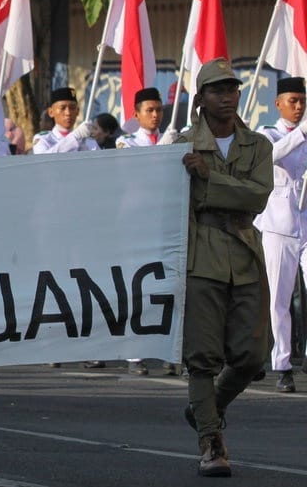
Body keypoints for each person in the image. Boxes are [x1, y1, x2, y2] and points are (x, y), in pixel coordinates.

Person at [172, 58, 272, 477]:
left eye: (232, 89)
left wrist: (210, 180)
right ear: (201, 99)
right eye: (217, 90)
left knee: (252, 356)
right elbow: (178, 205)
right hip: (202, 255)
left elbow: (258, 197)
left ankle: (207, 408)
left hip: (246, 253)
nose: (227, 97)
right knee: (202, 357)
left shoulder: (258, 145)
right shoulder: (182, 144)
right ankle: (211, 442)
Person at [114, 87, 174, 376]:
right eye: (149, 110)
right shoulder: (127, 142)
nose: (155, 115)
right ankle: (134, 354)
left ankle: (168, 350)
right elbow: (136, 171)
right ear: (136, 114)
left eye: (159, 110)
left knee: (167, 288)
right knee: (135, 287)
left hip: (165, 222)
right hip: (135, 224)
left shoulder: (170, 138)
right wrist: (166, 151)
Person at [252, 76, 307, 394]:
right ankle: (283, 364)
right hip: (278, 227)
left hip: (306, 223)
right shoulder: (266, 134)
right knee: (280, 299)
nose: (299, 107)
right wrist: (300, 134)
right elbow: (269, 157)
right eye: (293, 101)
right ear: (278, 104)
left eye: (302, 102)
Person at [32, 88, 99, 153]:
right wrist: (75, 137)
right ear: (51, 112)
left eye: (72, 108)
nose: (68, 113)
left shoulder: (87, 140)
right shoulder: (44, 139)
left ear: (77, 111)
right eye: (62, 108)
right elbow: (44, 160)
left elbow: (101, 162)